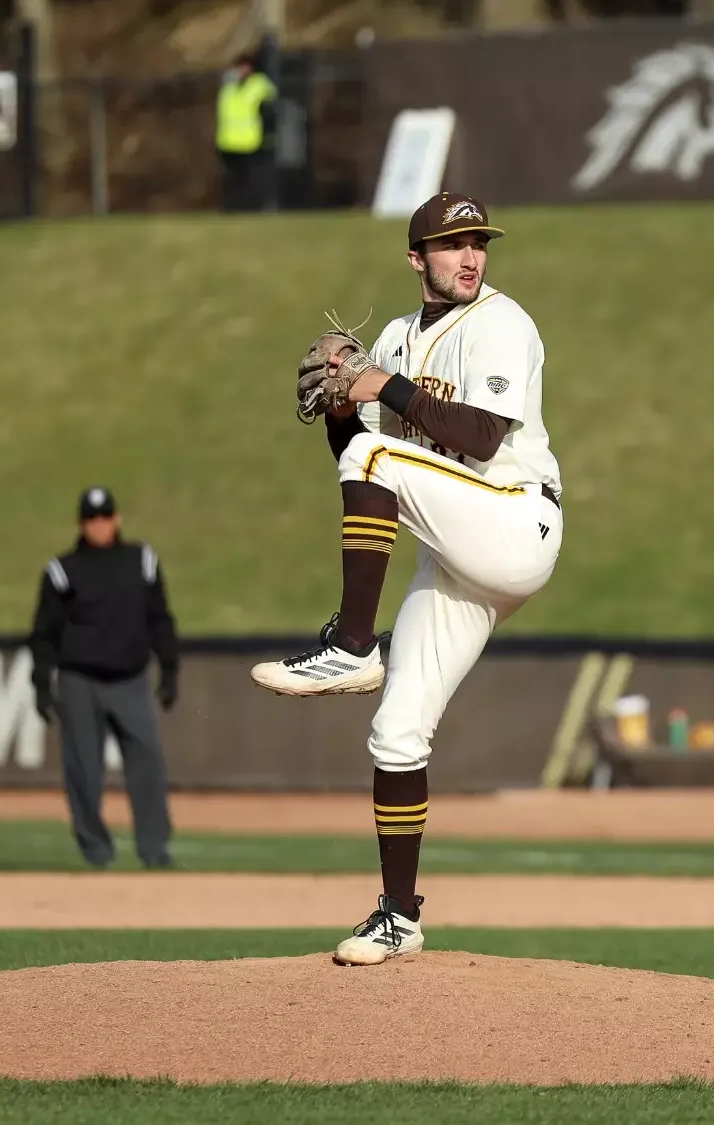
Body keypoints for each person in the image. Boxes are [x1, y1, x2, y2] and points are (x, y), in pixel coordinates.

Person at [257, 191, 563, 965]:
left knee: (379, 454)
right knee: (396, 733)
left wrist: (379, 388)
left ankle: (355, 643)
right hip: (455, 546)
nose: (470, 256)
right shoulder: (394, 336)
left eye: (479, 242)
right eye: (453, 244)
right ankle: (399, 915)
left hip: (514, 520)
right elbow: (359, 468)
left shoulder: (502, 322)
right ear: (415, 258)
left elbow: (481, 438)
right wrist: (337, 404)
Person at [28, 486, 181, 869]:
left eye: (105, 517)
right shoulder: (62, 571)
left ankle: (154, 849)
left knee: (147, 764)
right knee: (84, 771)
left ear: (117, 519)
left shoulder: (141, 560)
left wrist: (170, 669)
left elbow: (160, 618)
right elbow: (44, 633)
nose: (100, 525)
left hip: (131, 679)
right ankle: (96, 851)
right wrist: (42, 684)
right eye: (92, 519)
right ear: (82, 523)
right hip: (79, 681)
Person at [214, 51, 278, 212]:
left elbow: (269, 113)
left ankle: (253, 208)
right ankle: (233, 208)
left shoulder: (260, 86)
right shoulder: (230, 87)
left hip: (251, 142)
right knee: (232, 180)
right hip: (228, 142)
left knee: (253, 179)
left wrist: (267, 136)